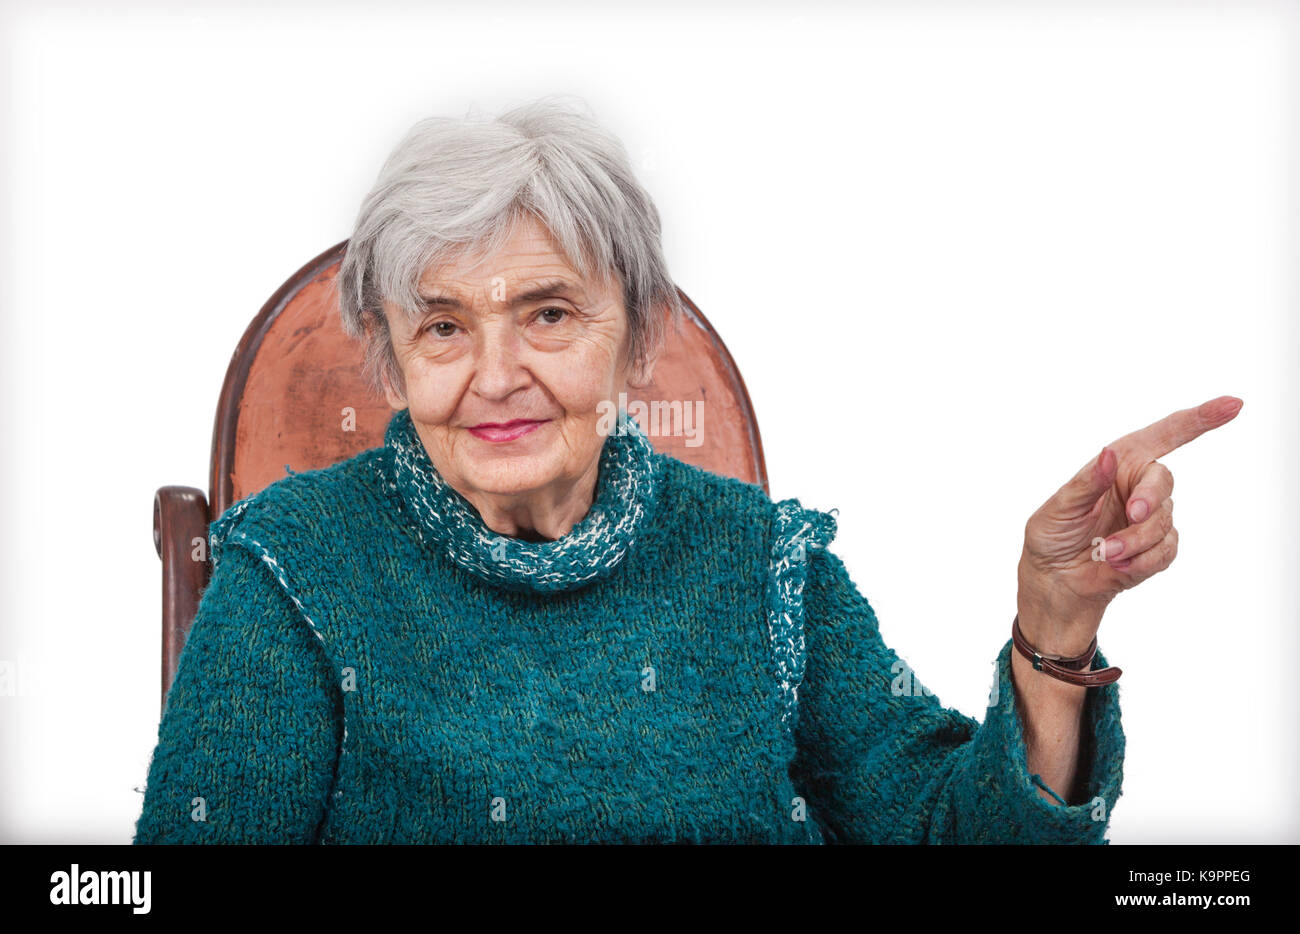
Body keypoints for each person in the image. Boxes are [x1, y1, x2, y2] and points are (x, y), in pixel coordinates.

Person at [133, 95, 1241, 844]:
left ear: (637, 334)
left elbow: (948, 831)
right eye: (442, 329)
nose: (495, 374)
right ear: (392, 356)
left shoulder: (761, 559)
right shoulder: (292, 568)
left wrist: (1052, 626)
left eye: (549, 313)